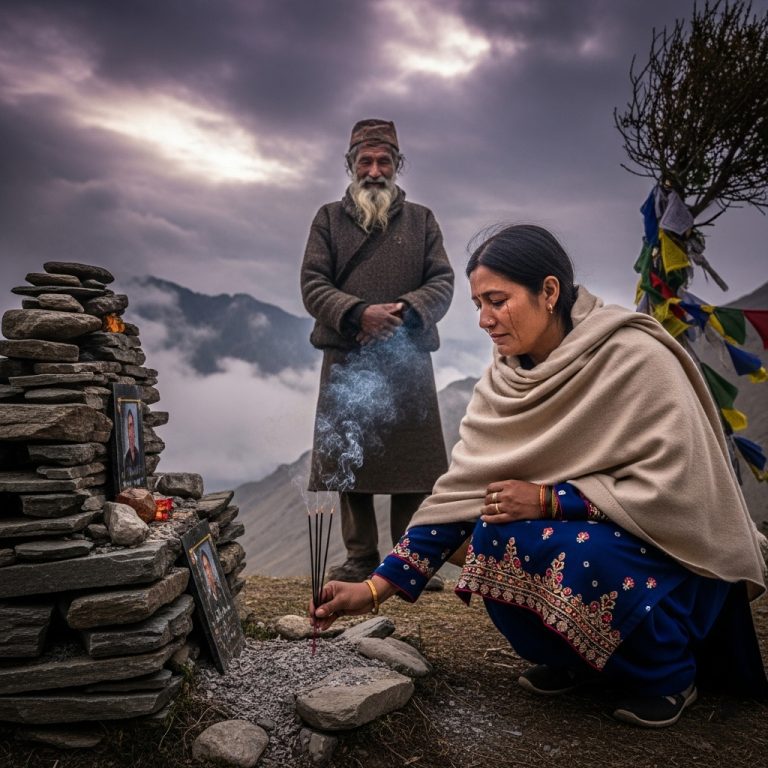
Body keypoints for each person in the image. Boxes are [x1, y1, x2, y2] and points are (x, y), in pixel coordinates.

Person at [312, 224, 767, 728]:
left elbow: (679, 490)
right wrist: (373, 589)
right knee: (488, 533)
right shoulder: (505, 380)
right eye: (478, 304)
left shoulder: (634, 357)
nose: (484, 319)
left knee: (582, 552)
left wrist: (553, 501)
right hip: (592, 536)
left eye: (497, 300)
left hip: (668, 549)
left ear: (549, 292)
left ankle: (670, 675)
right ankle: (575, 659)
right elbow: (459, 496)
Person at [301, 118, 454, 587]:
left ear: (397, 165)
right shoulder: (328, 218)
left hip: (406, 359)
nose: (374, 170)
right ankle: (361, 557)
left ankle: (409, 560)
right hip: (348, 357)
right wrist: (359, 314)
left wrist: (404, 312)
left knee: (411, 468)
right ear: (350, 165)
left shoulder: (422, 219)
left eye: (383, 161)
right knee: (352, 465)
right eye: (364, 161)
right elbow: (312, 285)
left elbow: (443, 282)